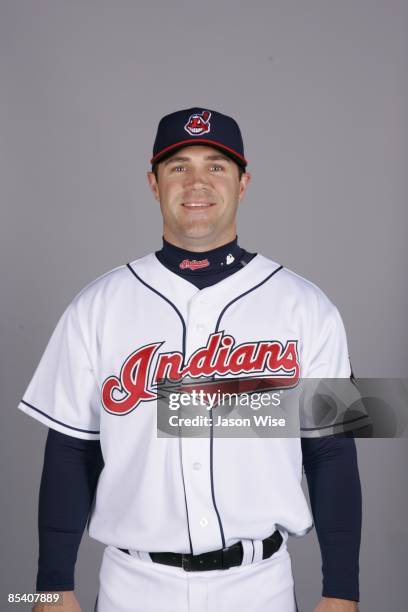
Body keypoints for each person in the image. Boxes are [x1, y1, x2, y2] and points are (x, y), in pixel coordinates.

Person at [19, 107, 362, 612]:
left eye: (216, 166)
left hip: (259, 586)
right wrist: (50, 584)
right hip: (132, 585)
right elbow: (71, 449)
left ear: (243, 183)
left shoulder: (308, 307)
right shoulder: (97, 305)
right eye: (178, 166)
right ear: (153, 183)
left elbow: (331, 453)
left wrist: (342, 592)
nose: (197, 181)